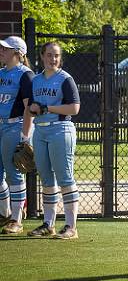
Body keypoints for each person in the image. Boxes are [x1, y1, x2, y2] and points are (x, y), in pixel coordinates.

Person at [25, 42, 81, 239]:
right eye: (49, 55)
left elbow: (74, 108)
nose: (53, 59)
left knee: (65, 179)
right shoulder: (36, 80)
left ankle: (71, 227)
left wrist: (47, 108)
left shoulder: (65, 79)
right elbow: (31, 108)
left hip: (60, 130)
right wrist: (26, 135)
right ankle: (48, 224)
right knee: (47, 180)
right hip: (40, 132)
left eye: (56, 55)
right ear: (42, 56)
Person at [0, 36, 34, 235]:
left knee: (14, 173)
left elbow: (29, 108)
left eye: (5, 49)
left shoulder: (25, 75)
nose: (1, 51)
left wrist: (25, 136)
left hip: (15, 127)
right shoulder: (1, 73)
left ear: (17, 53)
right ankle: (5, 213)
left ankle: (16, 219)